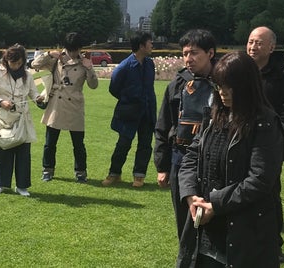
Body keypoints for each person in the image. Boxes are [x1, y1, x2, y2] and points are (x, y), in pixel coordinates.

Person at [177, 51, 283, 267]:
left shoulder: (264, 123)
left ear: (247, 85)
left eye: (229, 86)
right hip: (206, 230)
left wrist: (215, 204)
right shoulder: (215, 116)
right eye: (219, 85)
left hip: (245, 233)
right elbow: (191, 157)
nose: (223, 92)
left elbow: (260, 179)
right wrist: (191, 196)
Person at [154, 29, 217, 256]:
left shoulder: (224, 83)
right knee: (185, 220)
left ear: (210, 53)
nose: (188, 59)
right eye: (185, 53)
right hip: (181, 160)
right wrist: (162, 166)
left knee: (213, 218)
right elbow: (163, 126)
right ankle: (187, 256)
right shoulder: (177, 85)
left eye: (194, 53)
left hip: (214, 161)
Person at [246, 26, 284, 262]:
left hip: (270, 145)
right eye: (250, 41)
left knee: (269, 195)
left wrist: (269, 130)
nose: (252, 46)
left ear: (271, 47)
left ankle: (274, 245)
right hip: (241, 141)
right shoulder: (242, 70)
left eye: (258, 42)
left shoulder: (282, 75)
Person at [31, 32, 99, 183]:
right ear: (66, 48)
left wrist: (90, 69)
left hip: (75, 104)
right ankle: (47, 169)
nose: (75, 53)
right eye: (72, 50)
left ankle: (80, 171)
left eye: (77, 50)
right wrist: (48, 54)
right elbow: (34, 64)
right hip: (57, 103)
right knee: (50, 142)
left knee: (78, 144)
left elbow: (93, 86)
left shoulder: (83, 62)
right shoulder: (56, 59)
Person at [0, 44, 42, 196]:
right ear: (6, 60)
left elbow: (33, 93)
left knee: (23, 153)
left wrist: (39, 98)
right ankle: (0, 184)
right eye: (13, 63)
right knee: (2, 151)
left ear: (23, 61)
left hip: (22, 119)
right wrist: (0, 102)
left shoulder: (27, 75)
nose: (16, 66)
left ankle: (22, 186)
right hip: (2, 118)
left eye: (19, 63)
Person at [104, 32, 156, 188]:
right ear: (141, 46)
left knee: (145, 144)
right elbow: (113, 88)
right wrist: (128, 99)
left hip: (147, 111)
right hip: (130, 111)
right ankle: (114, 174)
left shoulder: (149, 64)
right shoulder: (125, 66)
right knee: (123, 144)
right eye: (149, 42)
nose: (152, 45)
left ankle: (139, 176)